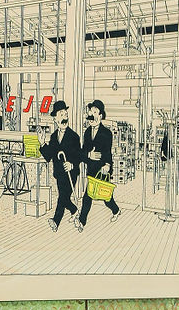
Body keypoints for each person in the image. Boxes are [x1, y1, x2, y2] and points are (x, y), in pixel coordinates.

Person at [75, 99, 120, 228]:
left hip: (103, 170)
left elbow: (107, 152)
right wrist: (88, 155)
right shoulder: (87, 132)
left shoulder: (107, 133)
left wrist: (107, 165)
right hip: (91, 169)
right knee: (88, 196)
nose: (91, 115)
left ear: (100, 116)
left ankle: (116, 210)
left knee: (106, 198)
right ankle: (82, 221)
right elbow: (82, 152)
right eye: (90, 112)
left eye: (95, 112)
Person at [38, 100, 80, 233]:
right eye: (61, 114)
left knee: (62, 198)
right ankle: (74, 210)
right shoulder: (53, 136)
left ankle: (56, 221)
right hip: (59, 174)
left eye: (66, 114)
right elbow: (49, 156)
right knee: (64, 198)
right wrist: (42, 143)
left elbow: (79, 155)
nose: (65, 117)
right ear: (55, 119)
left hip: (71, 173)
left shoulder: (74, 136)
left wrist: (72, 164)